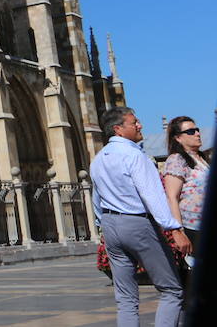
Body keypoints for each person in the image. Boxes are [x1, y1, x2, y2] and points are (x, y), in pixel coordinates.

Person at [91, 106, 193, 327]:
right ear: (118, 129)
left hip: (110, 225)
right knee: (172, 290)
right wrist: (174, 229)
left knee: (126, 298)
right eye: (134, 122)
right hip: (137, 223)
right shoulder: (135, 156)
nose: (140, 125)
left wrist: (103, 224)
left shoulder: (98, 159)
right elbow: (152, 196)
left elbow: (96, 199)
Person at [161, 116, 209, 252]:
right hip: (194, 228)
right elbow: (172, 197)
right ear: (178, 138)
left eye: (197, 130)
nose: (197, 134)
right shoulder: (177, 159)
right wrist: (178, 230)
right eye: (190, 131)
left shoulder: (202, 158)